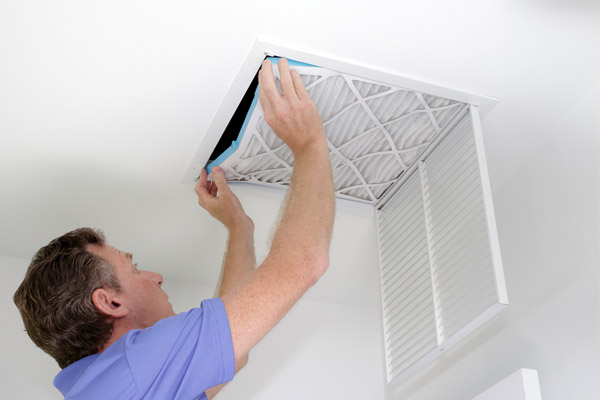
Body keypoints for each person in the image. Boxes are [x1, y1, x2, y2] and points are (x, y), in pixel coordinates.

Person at [13, 58, 335, 399]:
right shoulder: (132, 369)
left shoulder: (114, 385)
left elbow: (231, 355)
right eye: (133, 268)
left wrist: (239, 227)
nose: (155, 277)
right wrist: (308, 143)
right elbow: (303, 262)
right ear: (109, 302)